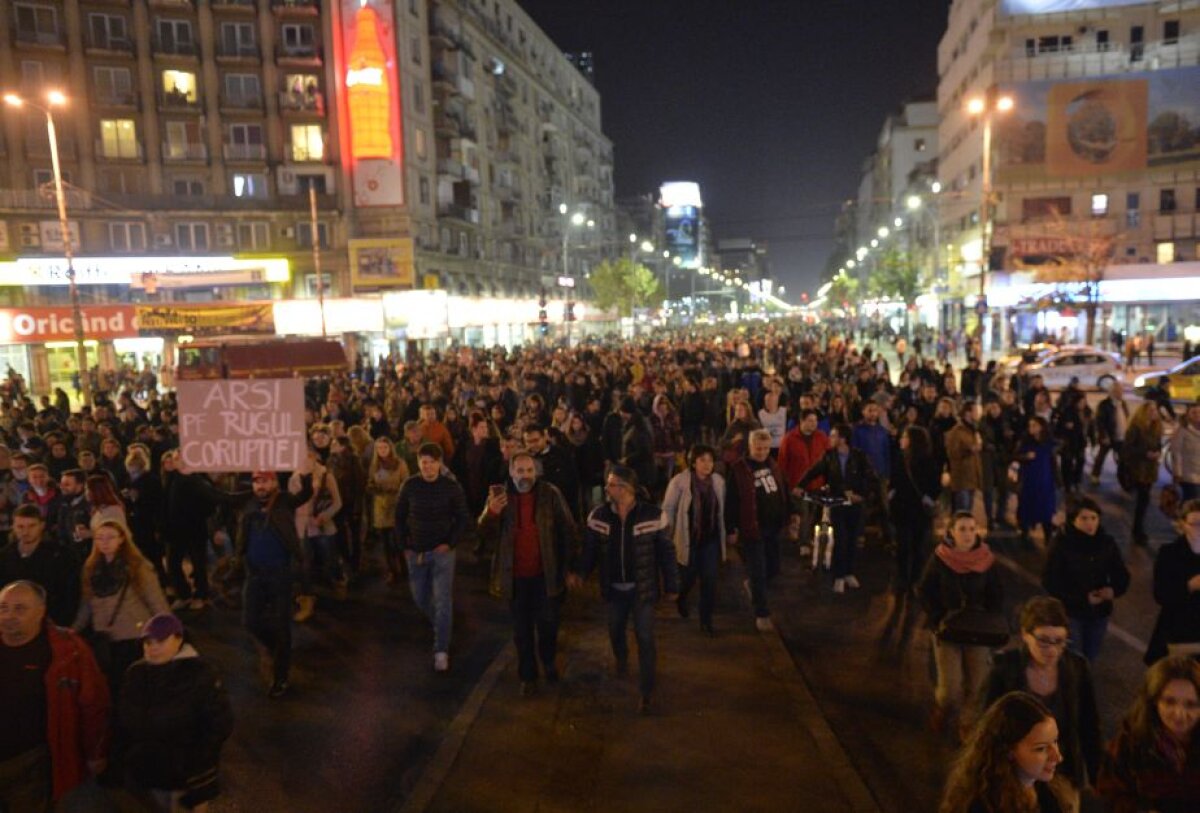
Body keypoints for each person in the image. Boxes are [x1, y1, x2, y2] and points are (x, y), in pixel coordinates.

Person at [569, 465, 677, 714]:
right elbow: (590, 551)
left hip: (643, 590)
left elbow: (666, 553)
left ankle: (646, 691)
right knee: (615, 629)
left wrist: (672, 584)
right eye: (607, 483)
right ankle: (621, 657)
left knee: (645, 637)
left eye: (612, 484)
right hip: (614, 589)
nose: (607, 488)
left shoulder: (653, 516)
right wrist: (580, 572)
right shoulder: (599, 516)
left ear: (627, 488)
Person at [980, 597, 1101, 809]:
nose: (1052, 650)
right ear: (1025, 635)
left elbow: (1089, 727)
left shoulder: (1077, 668)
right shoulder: (1005, 669)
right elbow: (987, 727)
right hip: (1016, 774)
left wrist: (1097, 776)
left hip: (1062, 771)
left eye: (1059, 641)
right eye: (1044, 641)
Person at [0, 580, 110, 809]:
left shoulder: (69, 650)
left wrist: (95, 752)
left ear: (41, 611)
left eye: (20, 609)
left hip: (32, 761)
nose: (9, 616)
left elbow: (93, 703)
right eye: (3, 607)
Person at [478, 451, 575, 695]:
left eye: (530, 470)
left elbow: (567, 530)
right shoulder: (500, 497)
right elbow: (483, 534)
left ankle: (548, 661)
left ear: (536, 472)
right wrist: (491, 514)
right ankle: (528, 677)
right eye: (520, 471)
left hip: (545, 576)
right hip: (515, 579)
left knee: (548, 626)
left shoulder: (550, 494)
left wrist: (569, 568)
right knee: (521, 632)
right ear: (511, 472)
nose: (525, 476)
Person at [119, 613, 234, 813]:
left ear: (179, 639)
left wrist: (198, 762)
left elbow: (220, 723)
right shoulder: (136, 673)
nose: (153, 647)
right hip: (147, 769)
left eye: (161, 641)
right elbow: (123, 717)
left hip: (186, 775)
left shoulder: (200, 673)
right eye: (148, 642)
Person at [918, 511, 1004, 738]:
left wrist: (991, 618)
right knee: (950, 689)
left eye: (971, 529)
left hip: (977, 630)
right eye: (962, 529)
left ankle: (967, 723)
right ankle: (943, 708)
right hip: (948, 629)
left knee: (978, 684)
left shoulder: (986, 559)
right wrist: (938, 617)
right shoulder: (941, 558)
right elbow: (924, 590)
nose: (967, 534)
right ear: (951, 533)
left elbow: (997, 594)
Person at [230, 467, 313, 698]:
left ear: (275, 483)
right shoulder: (248, 502)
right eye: (257, 482)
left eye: (265, 481)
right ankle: (277, 648)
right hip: (254, 574)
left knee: (281, 625)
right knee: (250, 621)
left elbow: (304, 495)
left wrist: (306, 476)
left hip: (281, 574)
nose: (261, 486)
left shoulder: (284, 500)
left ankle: (280, 677)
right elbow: (221, 498)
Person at [394, 443, 470, 673]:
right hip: (416, 552)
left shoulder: (450, 487)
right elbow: (399, 516)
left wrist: (450, 543)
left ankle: (441, 649)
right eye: (423, 462)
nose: (427, 466)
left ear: (439, 463)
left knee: (443, 600)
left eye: (431, 462)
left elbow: (462, 517)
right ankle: (443, 624)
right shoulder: (410, 485)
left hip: (442, 553)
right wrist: (404, 546)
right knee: (420, 597)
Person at [72, 518, 169, 696]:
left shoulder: (137, 566)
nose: (105, 542)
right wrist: (75, 629)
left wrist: (167, 631)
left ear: (122, 538)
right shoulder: (91, 568)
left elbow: (155, 601)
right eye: (100, 538)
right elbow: (87, 603)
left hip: (133, 634)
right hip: (105, 637)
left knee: (134, 685)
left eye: (110, 537)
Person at [1096, 655, 1200, 813]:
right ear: (1154, 701)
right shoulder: (1130, 742)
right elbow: (1110, 794)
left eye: (1191, 704)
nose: (1179, 714)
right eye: (1169, 702)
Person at [939, 691, 1066, 813]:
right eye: (1041, 748)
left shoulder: (1045, 791)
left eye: (1055, 741)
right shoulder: (982, 805)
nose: (1058, 757)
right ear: (1008, 750)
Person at [1041, 498, 1131, 662]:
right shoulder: (1062, 543)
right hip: (1071, 612)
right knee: (1073, 657)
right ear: (1073, 520)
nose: (1090, 523)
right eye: (1084, 518)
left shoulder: (1106, 543)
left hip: (1099, 612)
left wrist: (1113, 590)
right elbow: (1050, 581)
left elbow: (1121, 574)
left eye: (1093, 518)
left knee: (1091, 655)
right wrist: (1082, 598)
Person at [794, 423, 876, 594]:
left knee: (852, 538)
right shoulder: (829, 456)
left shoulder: (859, 456)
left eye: (833, 435)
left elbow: (870, 478)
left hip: (854, 503)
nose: (830, 438)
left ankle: (849, 572)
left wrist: (861, 495)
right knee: (840, 539)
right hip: (837, 502)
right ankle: (838, 575)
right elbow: (813, 471)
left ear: (843, 439)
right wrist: (800, 485)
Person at [661, 444, 727, 636]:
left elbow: (722, 509)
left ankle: (706, 621)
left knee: (710, 580)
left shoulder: (718, 482)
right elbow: (668, 508)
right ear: (693, 462)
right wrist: (668, 534)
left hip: (710, 539)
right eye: (702, 460)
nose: (707, 465)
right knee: (688, 577)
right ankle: (682, 597)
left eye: (710, 460)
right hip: (688, 538)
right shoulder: (680, 482)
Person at [725, 429, 789, 625]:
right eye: (758, 448)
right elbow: (731, 500)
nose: (762, 452)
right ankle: (761, 613)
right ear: (750, 447)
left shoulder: (772, 464)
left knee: (773, 567)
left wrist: (791, 512)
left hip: (773, 526)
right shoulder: (739, 469)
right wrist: (730, 528)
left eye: (765, 448)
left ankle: (754, 583)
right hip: (753, 528)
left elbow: (783, 488)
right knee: (758, 569)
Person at [0, 504, 80, 626]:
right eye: (20, 526)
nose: (25, 532)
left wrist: (61, 624)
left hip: (50, 621)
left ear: (41, 525)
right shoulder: (5, 556)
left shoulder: (60, 555)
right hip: (12, 622)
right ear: (13, 527)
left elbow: (70, 594)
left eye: (31, 526)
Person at [1144, 498, 1200, 665]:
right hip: (1178, 633)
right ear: (1183, 524)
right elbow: (1161, 594)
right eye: (1195, 524)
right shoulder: (1169, 553)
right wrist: (1189, 586)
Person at [889, 424, 939, 594]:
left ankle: (916, 579)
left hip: (918, 510)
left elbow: (934, 485)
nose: (901, 440)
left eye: (905, 437)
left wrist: (929, 497)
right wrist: (891, 492)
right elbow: (894, 480)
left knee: (918, 547)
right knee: (902, 546)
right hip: (902, 508)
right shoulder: (900, 458)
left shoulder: (927, 461)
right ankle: (903, 578)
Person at [778, 408, 829, 553]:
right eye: (810, 420)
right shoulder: (789, 439)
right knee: (803, 514)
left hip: (818, 483)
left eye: (815, 421)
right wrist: (788, 485)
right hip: (798, 484)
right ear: (802, 421)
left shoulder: (821, 437)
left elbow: (828, 459)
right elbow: (782, 464)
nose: (814, 424)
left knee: (815, 513)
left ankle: (811, 538)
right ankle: (804, 543)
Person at [366, 436, 408, 584]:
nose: (382, 450)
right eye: (379, 448)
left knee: (398, 540)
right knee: (385, 542)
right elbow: (370, 481)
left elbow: (406, 482)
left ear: (390, 448)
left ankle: (404, 567)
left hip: (396, 504)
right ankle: (392, 570)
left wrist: (396, 491)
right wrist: (373, 488)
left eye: (385, 447)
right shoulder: (375, 465)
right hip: (381, 506)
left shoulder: (400, 463)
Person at [1124, 402, 1164, 547]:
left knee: (1144, 500)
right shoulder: (1135, 428)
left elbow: (1158, 444)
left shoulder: (1156, 427)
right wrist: (1145, 453)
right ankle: (1138, 530)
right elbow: (1128, 449)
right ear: (1143, 412)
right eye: (1151, 410)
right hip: (1138, 469)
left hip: (1150, 469)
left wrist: (1157, 452)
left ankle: (1138, 528)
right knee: (1143, 499)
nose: (1155, 412)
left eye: (1155, 410)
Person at [1016, 416, 1058, 547]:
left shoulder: (1048, 443)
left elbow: (1053, 459)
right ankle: (1025, 532)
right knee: (1027, 506)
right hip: (1029, 479)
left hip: (1045, 479)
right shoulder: (1025, 441)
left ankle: (1048, 535)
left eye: (1034, 425)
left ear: (1041, 427)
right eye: (1030, 425)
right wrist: (1025, 457)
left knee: (1045, 508)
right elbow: (1016, 455)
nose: (1031, 428)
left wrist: (1057, 479)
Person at [945, 401, 985, 515]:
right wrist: (969, 449)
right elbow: (952, 453)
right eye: (975, 411)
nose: (978, 414)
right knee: (962, 511)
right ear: (968, 413)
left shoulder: (974, 430)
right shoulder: (956, 431)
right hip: (962, 477)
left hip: (972, 476)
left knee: (968, 510)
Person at [1090, 381, 1130, 486]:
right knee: (1101, 456)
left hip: (1121, 436)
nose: (1121, 393)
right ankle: (1095, 475)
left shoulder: (1123, 404)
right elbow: (1100, 422)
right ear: (1112, 392)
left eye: (1121, 391)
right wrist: (1104, 436)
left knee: (1123, 459)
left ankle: (1124, 479)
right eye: (1119, 391)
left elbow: (1126, 417)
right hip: (1109, 436)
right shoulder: (1104, 405)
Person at [1167, 401, 1200, 501]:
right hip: (1188, 474)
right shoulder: (1182, 430)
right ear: (1188, 414)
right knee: (1191, 501)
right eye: (1194, 412)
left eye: (1199, 412)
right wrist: (1177, 472)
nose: (1197, 415)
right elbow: (1176, 452)